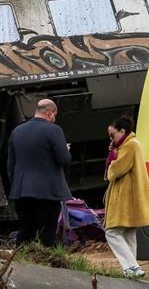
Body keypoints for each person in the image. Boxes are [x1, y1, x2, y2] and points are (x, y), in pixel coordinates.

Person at [7, 99, 71, 246]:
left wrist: (17, 186)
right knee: (47, 234)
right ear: (50, 113)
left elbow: (10, 165)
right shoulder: (54, 130)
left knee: (25, 232)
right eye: (55, 115)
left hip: (22, 192)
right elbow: (64, 159)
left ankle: (20, 264)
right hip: (47, 193)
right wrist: (66, 150)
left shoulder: (17, 131)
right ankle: (46, 267)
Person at [104, 116, 149, 278]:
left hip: (126, 198)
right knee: (128, 233)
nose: (111, 139)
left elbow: (115, 172)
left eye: (113, 135)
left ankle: (131, 267)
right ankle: (133, 269)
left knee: (111, 232)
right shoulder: (132, 144)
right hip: (132, 198)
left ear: (122, 131)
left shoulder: (129, 145)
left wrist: (113, 156)